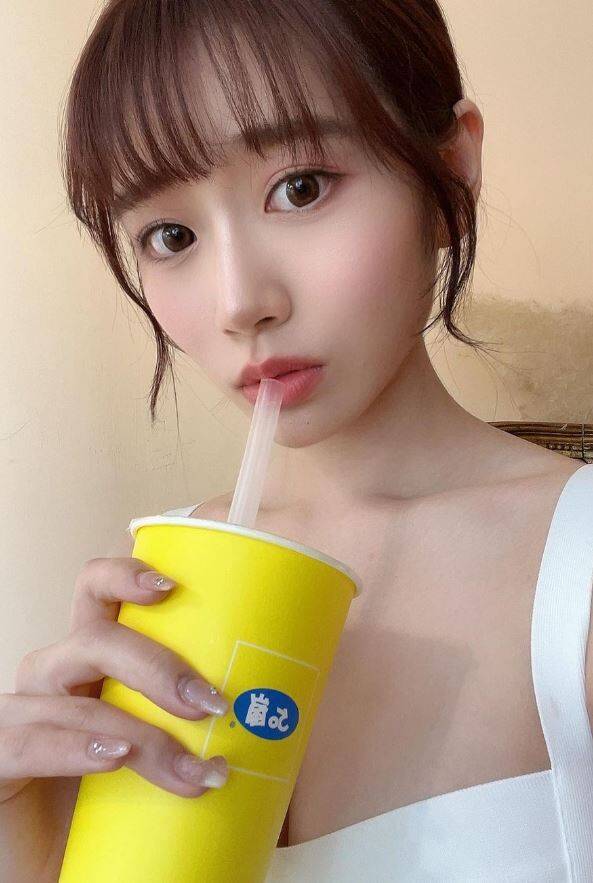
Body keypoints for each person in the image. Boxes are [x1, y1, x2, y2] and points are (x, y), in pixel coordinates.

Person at [2, 1, 592, 880]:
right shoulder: (154, 590)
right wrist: (40, 849)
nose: (241, 301)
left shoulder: (574, 567)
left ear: (450, 167)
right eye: (171, 236)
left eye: (302, 187)